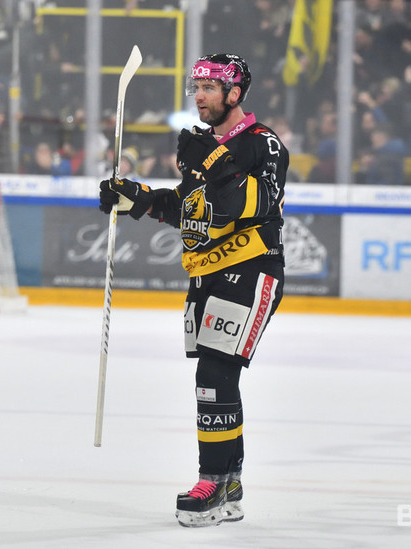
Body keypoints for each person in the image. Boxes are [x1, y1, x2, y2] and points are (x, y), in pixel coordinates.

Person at [98, 53, 288, 527]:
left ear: (235, 94)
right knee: (218, 379)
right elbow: (194, 208)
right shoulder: (200, 145)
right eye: (195, 87)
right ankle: (231, 481)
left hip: (251, 267)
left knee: (214, 374)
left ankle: (211, 481)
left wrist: (218, 165)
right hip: (206, 272)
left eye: (208, 88)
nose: (198, 96)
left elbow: (254, 204)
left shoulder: (264, 144)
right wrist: (138, 198)